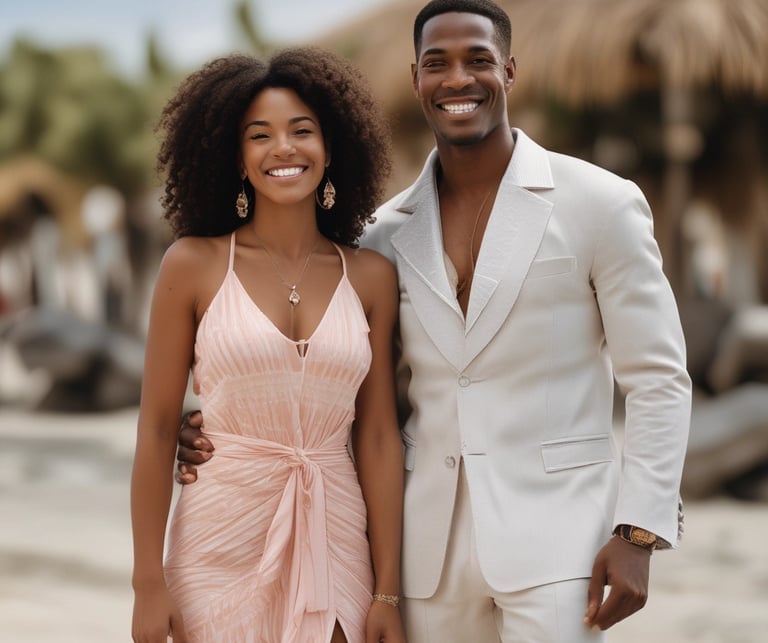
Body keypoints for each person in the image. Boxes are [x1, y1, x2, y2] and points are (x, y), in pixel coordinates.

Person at [177, 1, 692, 641]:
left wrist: (638, 530)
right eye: (436, 64)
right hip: (424, 556)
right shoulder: (383, 235)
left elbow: (660, 378)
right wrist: (214, 426)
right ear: (415, 78)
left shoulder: (601, 203)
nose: (457, 79)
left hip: (563, 540)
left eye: (478, 60)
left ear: (509, 69)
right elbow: (360, 396)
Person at [130, 47, 405, 643]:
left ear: (330, 149)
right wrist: (147, 583)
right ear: (237, 157)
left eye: (301, 131)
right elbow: (155, 428)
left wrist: (387, 591)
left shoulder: (371, 277)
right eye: (260, 135)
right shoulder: (193, 265)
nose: (283, 148)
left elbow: (379, 435)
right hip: (217, 541)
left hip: (336, 535)